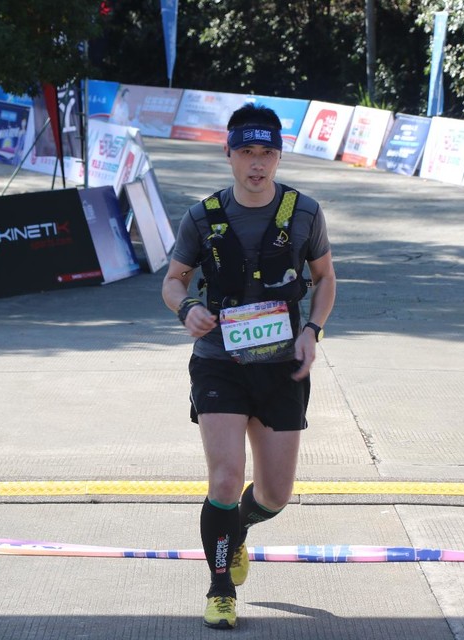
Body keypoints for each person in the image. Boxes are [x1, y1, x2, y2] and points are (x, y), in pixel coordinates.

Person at [161, 103, 336, 630]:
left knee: (275, 495)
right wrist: (187, 308)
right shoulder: (202, 216)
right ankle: (220, 590)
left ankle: (237, 529)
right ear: (229, 154)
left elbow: (325, 278)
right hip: (220, 362)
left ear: (278, 157)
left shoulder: (304, 213)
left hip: (282, 365)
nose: (256, 163)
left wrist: (312, 330)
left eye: (266, 153)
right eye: (246, 152)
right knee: (224, 479)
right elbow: (173, 280)